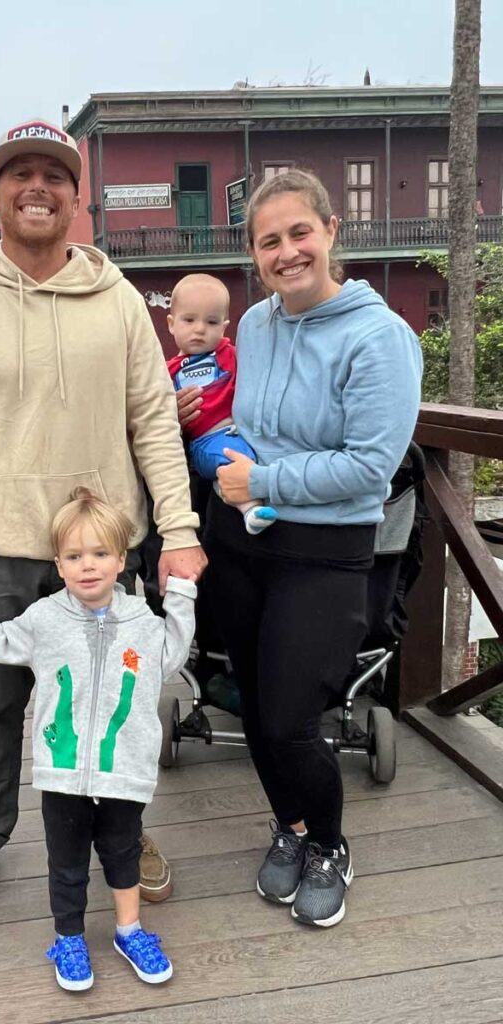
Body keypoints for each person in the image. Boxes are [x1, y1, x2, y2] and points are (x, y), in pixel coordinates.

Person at [0, 118, 206, 926]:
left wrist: (178, 529)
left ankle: (124, 834)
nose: (36, 185)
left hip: (108, 548)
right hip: (0, 546)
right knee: (0, 708)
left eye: (54, 174)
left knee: (120, 701)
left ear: (78, 198)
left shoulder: (117, 302)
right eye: (19, 173)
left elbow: (152, 421)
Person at [204, 169, 422, 927]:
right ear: (255, 256)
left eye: (300, 233)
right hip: (239, 541)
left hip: (325, 553)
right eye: (270, 241)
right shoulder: (257, 325)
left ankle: (328, 843)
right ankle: (290, 827)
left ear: (332, 232)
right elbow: (249, 419)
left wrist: (263, 478)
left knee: (294, 720)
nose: (287, 252)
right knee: (257, 708)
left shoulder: (379, 336)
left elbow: (370, 466)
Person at [0, 489, 196, 991]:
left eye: (101, 554)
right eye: (75, 556)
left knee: (124, 852)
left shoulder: (143, 624)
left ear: (122, 561)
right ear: (58, 564)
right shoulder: (45, 619)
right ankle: (69, 936)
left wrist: (182, 596)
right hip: (62, 772)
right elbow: (2, 641)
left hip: (123, 769)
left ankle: (129, 929)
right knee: (66, 858)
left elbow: (172, 654)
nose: (88, 567)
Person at [166, 273, 276, 535]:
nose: (200, 329)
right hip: (206, 441)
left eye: (211, 322)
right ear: (171, 323)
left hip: (242, 431)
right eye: (189, 320)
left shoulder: (233, 355)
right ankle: (250, 510)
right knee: (228, 460)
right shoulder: (165, 373)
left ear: (224, 326)